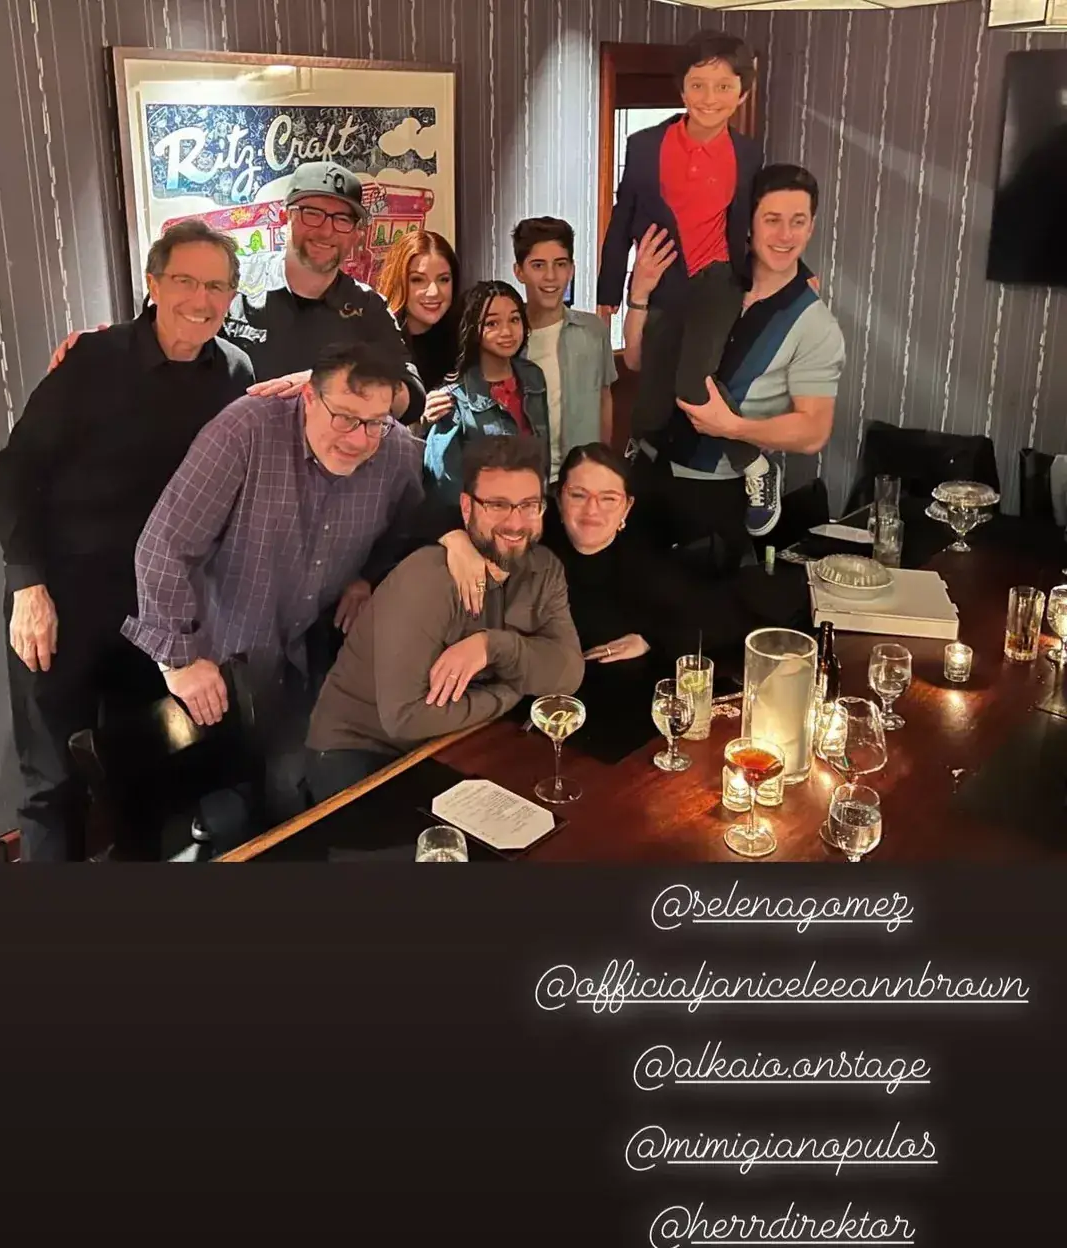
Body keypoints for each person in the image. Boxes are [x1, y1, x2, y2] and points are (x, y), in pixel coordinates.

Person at [0, 219, 253, 861]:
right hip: (63, 604)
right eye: (185, 280)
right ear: (153, 284)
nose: (201, 299)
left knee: (146, 773)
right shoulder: (92, 361)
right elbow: (14, 473)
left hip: (159, 611)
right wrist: (28, 587)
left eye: (217, 286)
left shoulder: (235, 372)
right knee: (52, 784)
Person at [121, 340, 426, 833]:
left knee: (300, 791)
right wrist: (179, 659)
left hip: (311, 655)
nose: (359, 439)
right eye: (345, 418)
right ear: (309, 397)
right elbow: (164, 545)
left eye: (375, 422)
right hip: (225, 657)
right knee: (230, 812)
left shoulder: (396, 452)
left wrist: (365, 577)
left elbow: (407, 526)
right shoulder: (244, 431)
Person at [305, 434, 584, 802]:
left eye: (529, 505)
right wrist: (516, 688)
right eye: (498, 505)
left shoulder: (545, 570)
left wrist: (492, 647)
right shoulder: (428, 579)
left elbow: (568, 674)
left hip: (454, 742)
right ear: (467, 508)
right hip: (360, 749)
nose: (516, 522)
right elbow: (405, 717)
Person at [47, 162, 425, 422]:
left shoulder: (368, 308)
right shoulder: (232, 283)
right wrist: (106, 346)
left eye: (343, 219)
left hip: (335, 478)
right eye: (312, 213)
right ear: (285, 216)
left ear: (356, 233)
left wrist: (335, 383)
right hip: (235, 474)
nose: (326, 230)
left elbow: (411, 398)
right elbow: (161, 334)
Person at [595, 29, 779, 533]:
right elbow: (622, 218)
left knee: (690, 385)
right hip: (665, 279)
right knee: (648, 402)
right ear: (681, 89)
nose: (709, 98)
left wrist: (791, 278)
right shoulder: (645, 145)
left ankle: (755, 463)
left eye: (724, 86)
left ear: (742, 93)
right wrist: (609, 293)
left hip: (719, 280)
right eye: (698, 85)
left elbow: (761, 224)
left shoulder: (748, 154)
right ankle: (643, 454)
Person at [623, 164, 845, 575]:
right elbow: (638, 361)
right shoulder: (709, 280)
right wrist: (639, 294)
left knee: (701, 609)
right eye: (772, 220)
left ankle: (759, 472)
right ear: (749, 222)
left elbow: (814, 430)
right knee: (631, 598)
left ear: (811, 227)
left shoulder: (815, 324)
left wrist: (735, 429)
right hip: (644, 470)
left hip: (714, 494)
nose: (785, 235)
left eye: (798, 222)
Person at [545, 443, 811, 684]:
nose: (592, 510)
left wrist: (652, 639)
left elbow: (729, 606)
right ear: (559, 498)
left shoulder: (649, 566)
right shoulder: (536, 546)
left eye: (608, 498)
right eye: (578, 495)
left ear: (627, 507)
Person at [511, 216, 617, 481]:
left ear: (571, 269)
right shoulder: (506, 337)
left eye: (560, 264)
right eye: (538, 265)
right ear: (519, 271)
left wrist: (603, 465)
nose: (551, 276)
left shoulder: (593, 331)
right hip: (523, 481)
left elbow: (605, 399)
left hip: (581, 478)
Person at [422, 281, 550, 501]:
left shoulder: (533, 377)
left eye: (514, 319)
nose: (507, 332)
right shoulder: (454, 397)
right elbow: (445, 486)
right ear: (473, 330)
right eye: (492, 323)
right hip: (483, 514)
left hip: (529, 508)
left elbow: (543, 455)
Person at [376, 229, 461, 393]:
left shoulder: (465, 340)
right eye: (418, 280)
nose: (433, 292)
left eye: (444, 279)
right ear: (398, 282)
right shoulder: (375, 344)